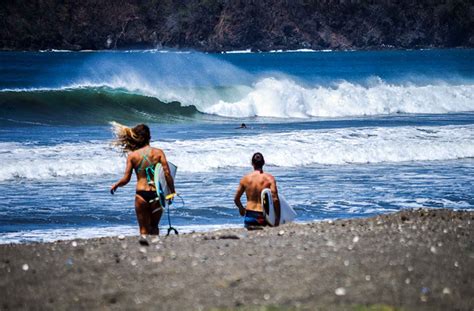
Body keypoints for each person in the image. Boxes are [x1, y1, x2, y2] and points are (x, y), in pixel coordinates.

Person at [110, 122, 175, 235]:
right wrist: (172, 191)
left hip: (141, 195)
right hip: (157, 194)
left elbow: (126, 179)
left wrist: (116, 184)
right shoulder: (158, 153)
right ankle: (155, 250)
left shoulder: (133, 156)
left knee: (143, 230)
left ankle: (144, 250)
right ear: (149, 137)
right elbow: (167, 173)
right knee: (154, 227)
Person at [234, 152, 280, 228]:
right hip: (263, 216)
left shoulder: (245, 179)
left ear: (252, 163)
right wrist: (277, 217)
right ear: (264, 163)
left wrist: (241, 208)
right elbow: (275, 198)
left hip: (249, 216)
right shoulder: (269, 179)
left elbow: (236, 199)